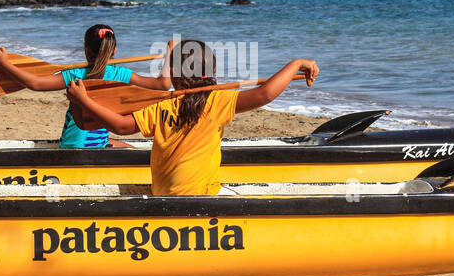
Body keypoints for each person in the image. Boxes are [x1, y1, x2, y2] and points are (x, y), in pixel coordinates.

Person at [65, 38, 319, 195]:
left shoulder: (162, 104)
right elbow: (264, 94)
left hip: (162, 192)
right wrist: (295, 63)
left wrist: (83, 101)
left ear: (175, 76)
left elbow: (120, 127)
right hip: (202, 194)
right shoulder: (217, 101)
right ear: (211, 71)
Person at [0, 24, 171, 148]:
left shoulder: (76, 74)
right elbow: (163, 85)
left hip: (75, 143)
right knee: (134, 150)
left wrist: (4, 64)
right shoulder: (121, 75)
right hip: (94, 143)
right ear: (114, 50)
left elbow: (35, 83)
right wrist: (171, 52)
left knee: (127, 147)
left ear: (86, 49)